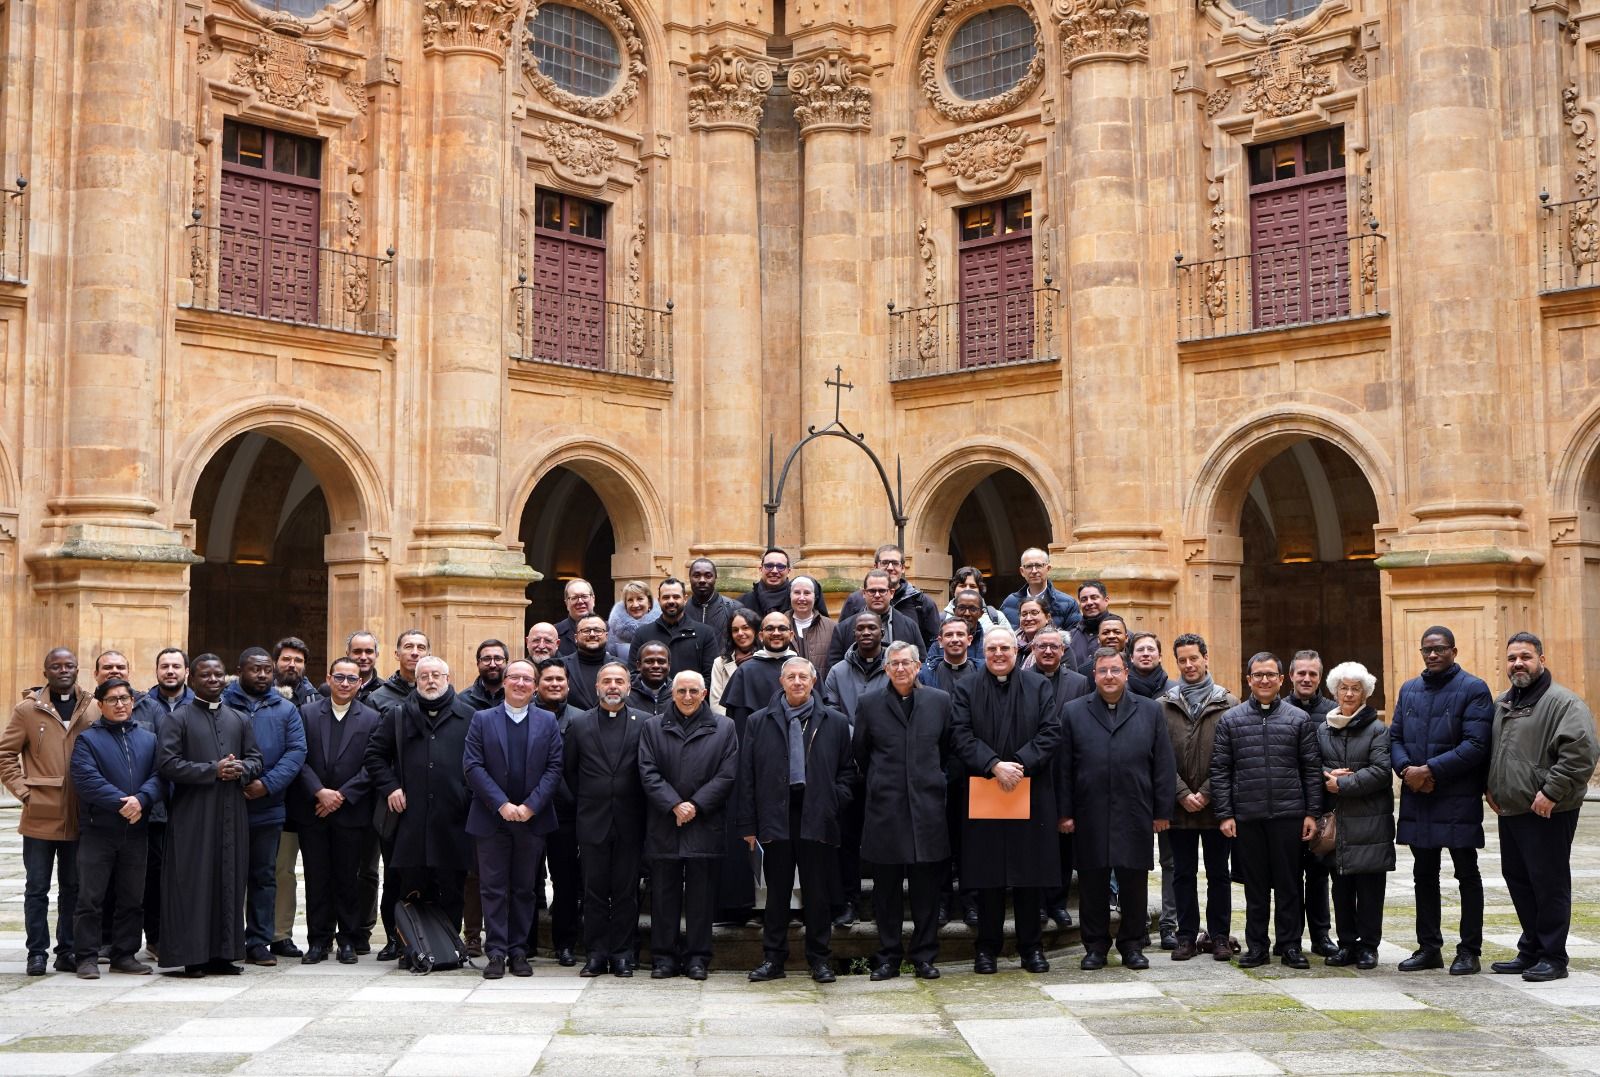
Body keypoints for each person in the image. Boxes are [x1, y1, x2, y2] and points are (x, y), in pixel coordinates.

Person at [1487, 632, 1599, 982]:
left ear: (1541, 660)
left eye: (1525, 656)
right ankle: (1532, 948)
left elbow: (1581, 753)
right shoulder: (1504, 702)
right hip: (1512, 810)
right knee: (1519, 879)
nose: (1518, 663)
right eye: (1512, 658)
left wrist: (1551, 792)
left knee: (1548, 882)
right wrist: (1490, 787)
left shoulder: (1565, 704)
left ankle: (1553, 956)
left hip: (1548, 809)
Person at [950, 627, 1061, 975]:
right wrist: (994, 765)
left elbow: (1050, 732)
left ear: (1017, 651)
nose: (999, 654)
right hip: (985, 788)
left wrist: (1020, 765)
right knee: (988, 877)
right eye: (992, 648)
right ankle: (987, 949)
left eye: (1005, 648)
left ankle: (1032, 948)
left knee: (1029, 875)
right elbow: (959, 733)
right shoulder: (965, 687)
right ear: (983, 651)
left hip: (1029, 789)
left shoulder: (1039, 686)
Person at [740, 657, 854, 984]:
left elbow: (848, 772)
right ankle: (773, 959)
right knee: (776, 894)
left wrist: (833, 801)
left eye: (803, 676)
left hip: (817, 816)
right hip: (776, 816)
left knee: (817, 894)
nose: (797, 682)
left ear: (813, 681)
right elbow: (747, 776)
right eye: (791, 677)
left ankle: (819, 960)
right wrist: (748, 825)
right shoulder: (759, 722)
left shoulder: (833, 721)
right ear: (782, 681)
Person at [1060, 647, 1174, 971]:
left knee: (1134, 883)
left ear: (1126, 672)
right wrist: (1065, 813)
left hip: (1135, 810)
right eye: (1102, 671)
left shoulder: (1150, 711)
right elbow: (1064, 767)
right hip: (1089, 811)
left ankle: (1132, 945)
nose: (1108, 676)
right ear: (1093, 675)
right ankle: (1095, 946)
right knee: (1092, 883)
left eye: (1114, 670)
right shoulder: (1073, 711)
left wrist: (1162, 811)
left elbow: (1163, 764)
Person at [1390, 626, 1492, 976]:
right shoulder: (1409, 689)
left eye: (1440, 649)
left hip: (1456, 796)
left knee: (1467, 872)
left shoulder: (1474, 689)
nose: (1433, 655)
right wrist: (1406, 770)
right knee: (1423, 873)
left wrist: (1430, 770)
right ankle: (1429, 947)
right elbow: (1396, 737)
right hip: (1419, 796)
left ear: (1454, 650)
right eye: (1427, 650)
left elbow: (1476, 745)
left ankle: (1469, 950)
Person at [1210, 652, 1322, 969]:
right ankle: (1257, 946)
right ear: (1248, 680)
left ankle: (1290, 946)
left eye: (1270, 675)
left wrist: (1311, 813)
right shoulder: (1231, 720)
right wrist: (1225, 814)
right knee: (1255, 887)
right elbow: (1220, 770)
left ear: (1280, 679)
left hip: (1289, 816)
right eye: (1258, 675)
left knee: (1289, 885)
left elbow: (1310, 769)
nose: (1264, 680)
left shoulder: (1298, 719)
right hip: (1247, 817)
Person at [157, 654, 264, 977]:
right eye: (206, 675)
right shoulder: (178, 719)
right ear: (192, 679)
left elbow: (257, 759)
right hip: (193, 815)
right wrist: (211, 770)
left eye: (219, 674)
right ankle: (194, 956)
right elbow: (167, 764)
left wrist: (241, 768)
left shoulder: (239, 718)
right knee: (194, 882)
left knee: (229, 878)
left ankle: (224, 954)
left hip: (232, 812)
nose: (214, 680)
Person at [364, 656, 475, 957]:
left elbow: (480, 761)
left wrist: (465, 794)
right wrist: (390, 787)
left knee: (452, 889)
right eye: (424, 675)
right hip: (410, 822)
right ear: (416, 679)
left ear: (447, 678)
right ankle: (410, 947)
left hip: (453, 819)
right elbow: (373, 756)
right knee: (409, 889)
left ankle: (450, 949)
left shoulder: (469, 716)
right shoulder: (397, 716)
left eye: (436, 675)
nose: (430, 681)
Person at [854, 643, 951, 980]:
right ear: (885, 668)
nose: (900, 669)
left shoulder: (939, 702)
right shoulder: (869, 704)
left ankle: (924, 956)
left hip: (927, 808)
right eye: (893, 663)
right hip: (886, 809)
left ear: (918, 665)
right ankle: (888, 957)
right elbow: (861, 753)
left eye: (906, 662)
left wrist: (933, 780)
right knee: (886, 891)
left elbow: (948, 748)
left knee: (926, 890)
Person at [464, 659, 564, 979]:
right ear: (504, 682)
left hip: (532, 820)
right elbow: (473, 766)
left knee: (524, 889)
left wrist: (531, 806)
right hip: (492, 819)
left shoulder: (548, 721)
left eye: (527, 679)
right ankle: (495, 952)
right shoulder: (481, 719)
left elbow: (554, 767)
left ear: (535, 686)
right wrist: (502, 804)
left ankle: (519, 950)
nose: (520, 683)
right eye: (514, 677)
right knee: (492, 888)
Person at [638, 671, 739, 980]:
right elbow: (647, 770)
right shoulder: (652, 727)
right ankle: (664, 957)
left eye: (693, 690)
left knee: (700, 897)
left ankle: (697, 957)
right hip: (665, 823)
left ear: (704, 693)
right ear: (672, 692)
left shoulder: (725, 728)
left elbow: (727, 773)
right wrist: (673, 804)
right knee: (664, 895)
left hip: (703, 823)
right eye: (681, 690)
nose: (686, 696)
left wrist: (695, 805)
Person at [2, 648, 95, 976]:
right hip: (40, 815)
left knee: (74, 886)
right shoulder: (28, 710)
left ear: (77, 668)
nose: (63, 670)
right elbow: (5, 755)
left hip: (80, 814)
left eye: (69, 665)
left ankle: (66, 950)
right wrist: (24, 792)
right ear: (45, 671)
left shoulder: (92, 708)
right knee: (37, 887)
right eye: (56, 666)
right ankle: (36, 952)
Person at [68, 678, 161, 977]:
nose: (120, 704)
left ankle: (125, 954)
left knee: (132, 898)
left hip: (136, 831)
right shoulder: (88, 740)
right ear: (100, 705)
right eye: (112, 700)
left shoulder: (149, 739)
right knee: (90, 898)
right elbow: (86, 780)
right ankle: (86, 957)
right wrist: (126, 803)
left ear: (133, 701)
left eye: (125, 698)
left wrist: (143, 799)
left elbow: (161, 776)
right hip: (99, 830)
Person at [292, 657, 382, 965]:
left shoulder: (371, 718)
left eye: (351, 679)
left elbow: (374, 764)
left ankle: (348, 939)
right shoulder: (306, 714)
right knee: (317, 877)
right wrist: (320, 791)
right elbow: (298, 757)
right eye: (340, 677)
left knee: (348, 878)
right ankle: (318, 940)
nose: (345, 684)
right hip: (314, 809)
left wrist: (341, 795)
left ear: (360, 683)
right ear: (329, 678)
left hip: (351, 811)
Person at [564, 661, 650, 977]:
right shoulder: (580, 724)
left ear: (629, 687)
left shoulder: (645, 722)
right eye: (607, 681)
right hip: (592, 822)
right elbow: (569, 772)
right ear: (597, 687)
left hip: (631, 821)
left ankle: (624, 954)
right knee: (594, 892)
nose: (613, 686)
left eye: (619, 681)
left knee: (627, 893)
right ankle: (597, 954)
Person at [223, 648, 307, 968]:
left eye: (266, 670)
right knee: (228, 875)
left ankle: (259, 941)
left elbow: (296, 753)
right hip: (228, 805)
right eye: (254, 669)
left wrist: (267, 784)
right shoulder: (223, 704)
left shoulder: (285, 709)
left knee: (264, 876)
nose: (261, 675)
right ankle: (227, 940)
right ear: (239, 670)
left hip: (269, 807)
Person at [1159, 633, 1238, 962]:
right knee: (1182, 873)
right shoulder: (1163, 705)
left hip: (1216, 806)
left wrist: (1205, 793)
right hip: (1179, 808)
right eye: (1182, 660)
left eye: (1194, 658)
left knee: (1219, 873)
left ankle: (1219, 935)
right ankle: (1186, 936)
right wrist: (1181, 793)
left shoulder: (1229, 704)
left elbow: (1233, 756)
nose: (1189, 665)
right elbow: (1159, 757)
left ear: (1206, 658)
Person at [1316, 661, 1394, 970]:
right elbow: (1314, 765)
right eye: (1344, 688)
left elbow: (1380, 772)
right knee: (1341, 886)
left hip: (1371, 820)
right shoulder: (1323, 729)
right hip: (1339, 823)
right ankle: (1346, 943)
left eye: (1355, 688)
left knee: (1371, 888)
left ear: (1365, 693)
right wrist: (1326, 776)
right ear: (1335, 692)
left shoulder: (1377, 729)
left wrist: (1342, 783)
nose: (1349, 693)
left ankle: (1369, 946)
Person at [821, 615, 887, 927]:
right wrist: (857, 737)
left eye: (871, 627)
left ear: (882, 631)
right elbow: (831, 712)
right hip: (847, 768)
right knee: (846, 840)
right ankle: (848, 901)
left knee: (883, 838)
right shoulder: (837, 671)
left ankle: (882, 902)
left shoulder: (894, 666)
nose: (865, 632)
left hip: (885, 768)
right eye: (859, 628)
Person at [130, 647, 192, 961]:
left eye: (176, 666)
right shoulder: (139, 706)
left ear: (186, 672)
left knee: (188, 874)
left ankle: (186, 935)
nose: (170, 671)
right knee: (151, 877)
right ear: (156, 670)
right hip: (154, 808)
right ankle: (154, 938)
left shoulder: (201, 705)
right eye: (164, 666)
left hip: (191, 806)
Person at [532, 659, 586, 967]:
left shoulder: (580, 719)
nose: (554, 684)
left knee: (566, 883)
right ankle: (525, 942)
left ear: (567, 684)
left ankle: (565, 944)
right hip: (530, 812)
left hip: (567, 814)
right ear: (538, 684)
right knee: (527, 881)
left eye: (560, 680)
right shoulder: (525, 716)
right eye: (548, 679)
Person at [1286, 650, 1337, 959]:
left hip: (1322, 808)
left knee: (1319, 875)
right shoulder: (1278, 709)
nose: (1306, 679)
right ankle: (1288, 938)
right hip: (1288, 807)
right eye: (1301, 673)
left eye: (1312, 674)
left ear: (1320, 677)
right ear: (1290, 676)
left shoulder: (1333, 712)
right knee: (1288, 877)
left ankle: (1321, 936)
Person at [835, 544, 941, 647]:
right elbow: (843, 637)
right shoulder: (855, 601)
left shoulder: (921, 603)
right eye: (884, 562)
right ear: (875, 566)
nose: (890, 568)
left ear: (903, 568)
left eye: (895, 563)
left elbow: (934, 647)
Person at [827, 569, 923, 667]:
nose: (877, 595)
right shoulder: (843, 629)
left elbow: (920, 664)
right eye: (872, 591)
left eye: (882, 591)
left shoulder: (910, 626)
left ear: (892, 593)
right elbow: (834, 668)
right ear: (864, 593)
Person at [630, 578, 717, 683]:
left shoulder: (705, 633)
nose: (671, 601)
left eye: (676, 597)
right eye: (666, 597)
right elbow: (634, 674)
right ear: (659, 600)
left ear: (685, 599)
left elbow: (710, 676)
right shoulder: (642, 634)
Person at [720, 611, 798, 726]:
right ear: (761, 636)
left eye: (782, 628)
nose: (776, 633)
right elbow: (738, 722)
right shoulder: (744, 672)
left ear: (791, 635)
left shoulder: (805, 669)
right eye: (770, 628)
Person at [1001, 547, 1082, 632]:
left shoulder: (1067, 603)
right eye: (1029, 566)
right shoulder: (1010, 603)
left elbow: (1075, 639)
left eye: (1039, 565)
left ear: (1048, 568)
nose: (1034, 571)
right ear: (1022, 571)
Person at [368, 629, 430, 716]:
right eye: (408, 647)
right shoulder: (376, 699)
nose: (415, 653)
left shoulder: (436, 694)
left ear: (428, 656)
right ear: (397, 654)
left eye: (421, 648)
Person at [710, 608, 760, 714]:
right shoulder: (720, 663)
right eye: (735, 630)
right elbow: (716, 704)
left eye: (745, 628)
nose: (740, 633)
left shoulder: (767, 659)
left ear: (756, 630)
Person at [789, 575, 837, 683]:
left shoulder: (832, 627)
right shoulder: (779, 625)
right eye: (797, 593)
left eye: (807, 593)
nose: (802, 598)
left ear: (815, 597)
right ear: (790, 596)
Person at [686, 557, 743, 643]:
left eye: (708, 576)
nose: (702, 580)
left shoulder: (733, 608)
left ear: (715, 578)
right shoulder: (682, 610)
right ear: (690, 578)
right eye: (696, 576)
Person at [563, 616, 614, 712]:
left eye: (598, 630)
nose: (592, 634)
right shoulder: (561, 666)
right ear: (576, 637)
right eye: (586, 631)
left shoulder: (620, 666)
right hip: (572, 725)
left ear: (606, 636)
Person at [943, 566, 1007, 638]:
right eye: (962, 585)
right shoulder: (940, 619)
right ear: (954, 589)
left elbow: (1010, 644)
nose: (967, 589)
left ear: (980, 590)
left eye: (972, 586)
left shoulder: (996, 616)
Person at [607, 580, 661, 664]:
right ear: (625, 604)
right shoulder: (614, 629)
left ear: (649, 602)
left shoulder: (661, 626)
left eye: (640, 599)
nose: (635, 604)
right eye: (630, 600)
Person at [738, 547, 793, 616]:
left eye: (780, 566)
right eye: (769, 566)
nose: (774, 571)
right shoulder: (743, 602)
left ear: (789, 571)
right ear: (761, 569)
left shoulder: (797, 602)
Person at [460, 639, 510, 712]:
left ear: (507, 663)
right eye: (486, 659)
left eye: (498, 659)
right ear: (478, 664)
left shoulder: (519, 697)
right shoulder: (463, 701)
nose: (492, 665)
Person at [555, 579, 601, 656]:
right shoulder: (555, 632)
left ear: (593, 599)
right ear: (566, 603)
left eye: (584, 596)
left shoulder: (611, 631)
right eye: (574, 598)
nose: (580, 601)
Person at [628, 641, 673, 715]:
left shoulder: (678, 693)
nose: (656, 666)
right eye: (649, 662)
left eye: (661, 662)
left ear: (669, 666)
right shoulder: (627, 694)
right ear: (639, 665)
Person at [273, 637, 320, 708]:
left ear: (304, 665)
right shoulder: (259, 696)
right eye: (286, 659)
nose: (292, 664)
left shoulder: (316, 702)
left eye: (298, 660)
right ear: (275, 663)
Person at [344, 631, 384, 700]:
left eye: (369, 652)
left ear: (377, 654)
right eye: (357, 651)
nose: (363, 657)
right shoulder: (330, 690)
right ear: (348, 653)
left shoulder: (385, 692)